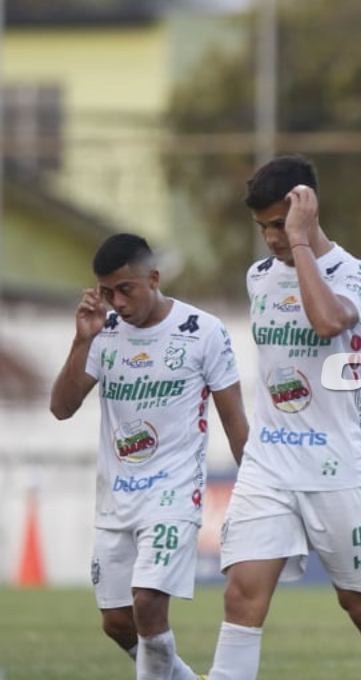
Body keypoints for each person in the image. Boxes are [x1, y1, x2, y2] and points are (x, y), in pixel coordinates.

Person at [206, 155, 361, 680]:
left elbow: (327, 322)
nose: (272, 239)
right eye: (264, 228)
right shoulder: (259, 277)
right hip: (269, 465)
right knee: (241, 598)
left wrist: (301, 242)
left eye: (279, 223)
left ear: (306, 208)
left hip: (338, 466)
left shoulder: (357, 273)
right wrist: (291, 244)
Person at [50, 233, 248, 680]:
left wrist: (257, 489)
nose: (116, 302)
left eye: (125, 289)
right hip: (116, 498)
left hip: (174, 494)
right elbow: (61, 408)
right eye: (106, 292)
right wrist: (82, 341)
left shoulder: (203, 331)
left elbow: (235, 419)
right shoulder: (102, 333)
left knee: (148, 603)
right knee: (118, 622)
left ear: (153, 279)